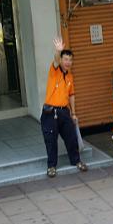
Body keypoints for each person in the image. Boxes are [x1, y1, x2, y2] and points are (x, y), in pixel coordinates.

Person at [41, 38, 88, 178]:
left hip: (64, 111)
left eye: (70, 60)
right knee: (51, 141)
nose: (68, 62)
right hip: (50, 112)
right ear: (61, 60)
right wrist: (58, 51)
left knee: (71, 138)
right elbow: (55, 59)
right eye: (65, 59)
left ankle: (76, 161)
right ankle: (51, 166)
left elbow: (72, 95)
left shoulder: (70, 77)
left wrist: (73, 113)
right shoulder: (54, 70)